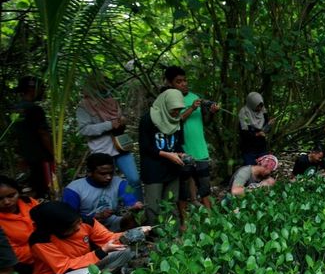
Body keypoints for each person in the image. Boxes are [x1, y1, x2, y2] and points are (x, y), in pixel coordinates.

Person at [28, 202, 148, 274]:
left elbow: (109, 238)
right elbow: (63, 267)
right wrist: (101, 252)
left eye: (78, 222)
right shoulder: (41, 240)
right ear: (55, 229)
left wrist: (134, 232)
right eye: (71, 227)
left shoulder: (86, 222)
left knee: (124, 249)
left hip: (83, 267)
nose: (78, 228)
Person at [76, 72, 142, 198]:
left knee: (134, 180)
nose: (105, 85)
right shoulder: (84, 105)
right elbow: (84, 129)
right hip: (101, 151)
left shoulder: (112, 101)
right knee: (106, 184)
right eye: (101, 82)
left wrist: (121, 122)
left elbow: (120, 124)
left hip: (121, 147)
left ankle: (138, 211)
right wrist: (109, 125)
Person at [163, 66, 219, 213]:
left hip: (200, 148)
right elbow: (174, 121)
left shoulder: (194, 97)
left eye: (185, 80)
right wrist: (192, 108)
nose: (184, 84)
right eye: (178, 81)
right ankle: (184, 222)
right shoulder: (169, 100)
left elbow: (205, 123)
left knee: (205, 186)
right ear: (170, 83)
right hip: (183, 150)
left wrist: (212, 113)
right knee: (183, 189)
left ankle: (210, 216)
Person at [139, 89, 186, 225]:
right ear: (165, 105)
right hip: (153, 169)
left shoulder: (177, 120)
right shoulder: (148, 119)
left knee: (171, 204)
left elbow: (177, 144)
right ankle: (155, 238)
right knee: (153, 207)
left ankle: (173, 237)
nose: (176, 113)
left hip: (172, 169)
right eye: (174, 109)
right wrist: (166, 154)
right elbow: (145, 147)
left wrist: (180, 154)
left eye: (179, 110)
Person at [63, 153, 143, 232]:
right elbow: (69, 217)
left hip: (112, 223)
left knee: (131, 219)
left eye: (111, 173)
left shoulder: (119, 183)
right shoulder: (74, 189)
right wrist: (96, 216)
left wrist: (134, 206)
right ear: (89, 172)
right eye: (103, 174)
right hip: (86, 226)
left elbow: (129, 201)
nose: (108, 177)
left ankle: (130, 241)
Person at [12, 76, 54, 198]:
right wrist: (54, 154)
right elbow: (43, 133)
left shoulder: (16, 108)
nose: (43, 92)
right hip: (41, 157)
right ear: (32, 90)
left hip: (28, 157)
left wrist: (21, 156)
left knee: (36, 187)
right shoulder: (34, 109)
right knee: (46, 189)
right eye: (41, 88)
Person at [0, 175, 37, 274]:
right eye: (0, 199)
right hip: (22, 265)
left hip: (46, 253)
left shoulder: (29, 202)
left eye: (11, 196)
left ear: (18, 192)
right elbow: (10, 252)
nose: (6, 202)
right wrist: (40, 249)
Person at [238, 92, 275, 165]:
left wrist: (269, 125)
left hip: (261, 147)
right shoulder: (245, 113)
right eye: (258, 106)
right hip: (249, 149)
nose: (259, 108)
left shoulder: (263, 112)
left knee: (263, 169)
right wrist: (256, 134)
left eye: (261, 106)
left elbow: (265, 129)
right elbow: (244, 132)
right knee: (251, 170)